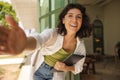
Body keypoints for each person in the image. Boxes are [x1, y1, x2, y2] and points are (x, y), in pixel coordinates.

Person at [0, 3, 92, 80]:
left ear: (82, 22)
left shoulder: (80, 46)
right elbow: (39, 40)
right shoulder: (53, 34)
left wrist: (66, 67)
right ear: (63, 20)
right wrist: (25, 44)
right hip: (39, 72)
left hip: (56, 76)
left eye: (79, 17)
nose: (74, 20)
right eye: (70, 16)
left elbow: (79, 67)